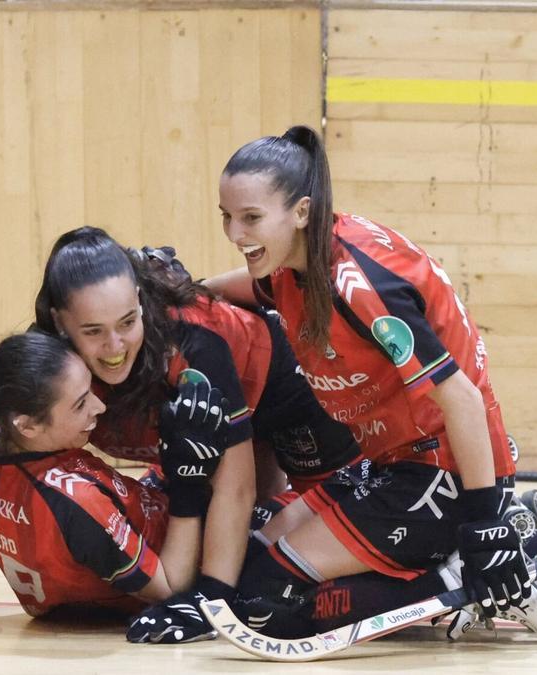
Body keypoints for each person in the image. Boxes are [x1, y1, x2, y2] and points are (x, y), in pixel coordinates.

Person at [204, 126, 537, 642]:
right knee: (253, 554)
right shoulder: (292, 262)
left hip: (443, 472)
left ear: (301, 212)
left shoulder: (360, 288)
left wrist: (486, 528)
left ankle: (456, 576)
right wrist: (183, 290)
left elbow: (461, 397)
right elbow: (251, 288)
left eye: (251, 218)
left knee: (266, 598)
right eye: (227, 218)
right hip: (391, 463)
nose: (236, 234)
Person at [32, 227, 362, 643]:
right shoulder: (42, 360)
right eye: (93, 331)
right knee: (229, 535)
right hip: (220, 400)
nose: (114, 347)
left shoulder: (191, 345)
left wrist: (212, 601)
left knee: (316, 539)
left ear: (139, 299)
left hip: (282, 386)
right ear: (61, 324)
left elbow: (237, 489)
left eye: (127, 322)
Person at [0, 331, 233, 642]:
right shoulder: (77, 505)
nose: (99, 406)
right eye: (80, 404)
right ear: (28, 425)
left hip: (124, 521)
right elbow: (171, 586)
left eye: (90, 389)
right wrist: (190, 484)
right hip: (179, 547)